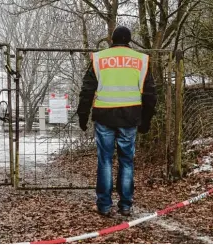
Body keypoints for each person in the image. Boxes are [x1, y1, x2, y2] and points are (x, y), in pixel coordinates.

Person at [76, 26, 157, 217]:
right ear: (129, 41)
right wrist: (146, 120)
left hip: (104, 115)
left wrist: (82, 114)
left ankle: (104, 206)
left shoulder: (99, 59)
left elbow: (87, 90)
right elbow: (151, 94)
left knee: (104, 161)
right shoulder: (141, 60)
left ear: (112, 40)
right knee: (126, 161)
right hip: (130, 117)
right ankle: (126, 205)